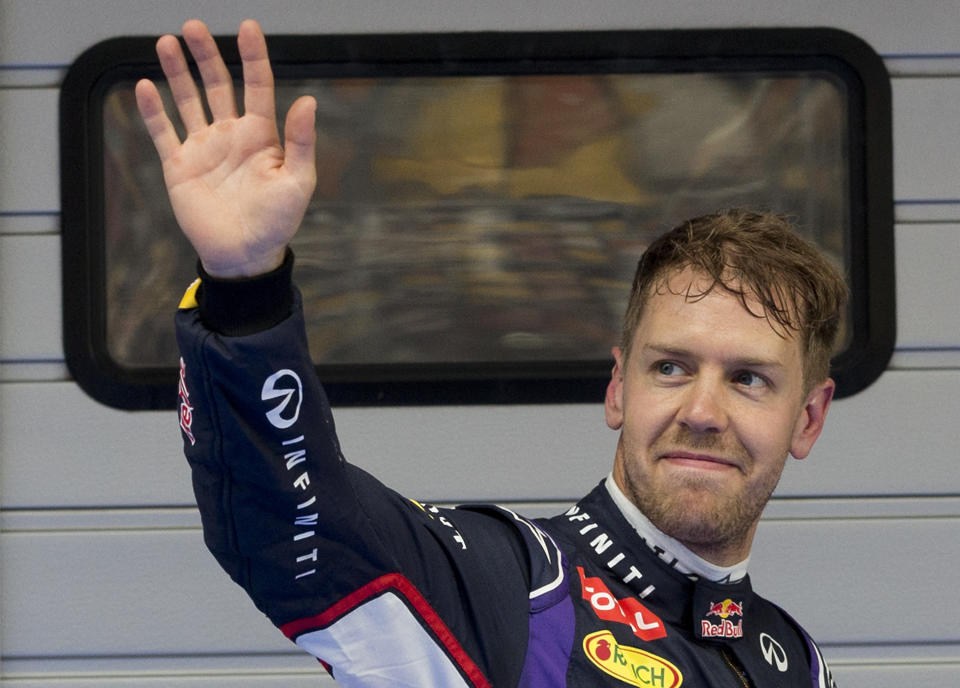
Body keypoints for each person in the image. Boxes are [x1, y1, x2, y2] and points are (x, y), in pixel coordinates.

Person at [137, 19, 845, 688]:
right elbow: (299, 526)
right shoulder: (515, 588)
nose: (702, 410)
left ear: (808, 418)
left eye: (748, 378)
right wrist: (245, 288)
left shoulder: (792, 663)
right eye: (671, 368)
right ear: (618, 389)